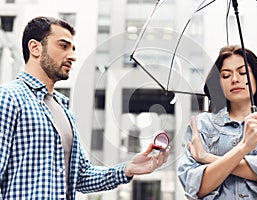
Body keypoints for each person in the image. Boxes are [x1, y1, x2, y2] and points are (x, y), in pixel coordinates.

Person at [0, 16, 169, 199]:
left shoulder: (64, 111)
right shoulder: (9, 98)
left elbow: (81, 176)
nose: (72, 56)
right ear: (35, 48)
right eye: (63, 46)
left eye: (73, 49)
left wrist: (127, 169)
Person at [177, 45, 257, 199]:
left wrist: (207, 158)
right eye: (226, 76)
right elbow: (194, 188)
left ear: (256, 77)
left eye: (243, 72)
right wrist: (244, 147)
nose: (235, 79)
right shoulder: (202, 126)